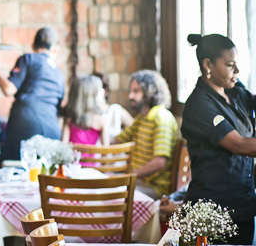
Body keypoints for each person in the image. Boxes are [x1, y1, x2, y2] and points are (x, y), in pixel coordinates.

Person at [181, 33, 256, 244]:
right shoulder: (200, 104)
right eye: (230, 65)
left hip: (242, 207)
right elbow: (239, 145)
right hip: (212, 213)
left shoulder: (236, 93)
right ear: (208, 65)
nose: (237, 71)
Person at [0, 27, 65, 163]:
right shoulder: (59, 74)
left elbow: (8, 89)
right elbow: (59, 111)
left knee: (16, 171)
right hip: (52, 131)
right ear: (55, 49)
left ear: (33, 45)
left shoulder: (28, 59)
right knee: (46, 176)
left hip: (25, 125)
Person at [113, 70, 178, 199]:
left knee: (114, 192)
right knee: (107, 186)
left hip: (154, 188)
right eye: (131, 91)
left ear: (150, 93)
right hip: (138, 182)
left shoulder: (161, 118)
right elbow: (117, 141)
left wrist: (129, 177)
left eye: (136, 91)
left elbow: (160, 162)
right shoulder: (141, 118)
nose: (130, 95)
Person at [60, 75, 110, 146]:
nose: (102, 91)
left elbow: (63, 146)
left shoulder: (69, 118)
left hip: (73, 157)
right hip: (92, 157)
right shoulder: (103, 119)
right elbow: (105, 152)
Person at [91, 72, 133, 137]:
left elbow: (134, 127)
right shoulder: (87, 114)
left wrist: (121, 137)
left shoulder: (115, 110)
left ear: (104, 91)